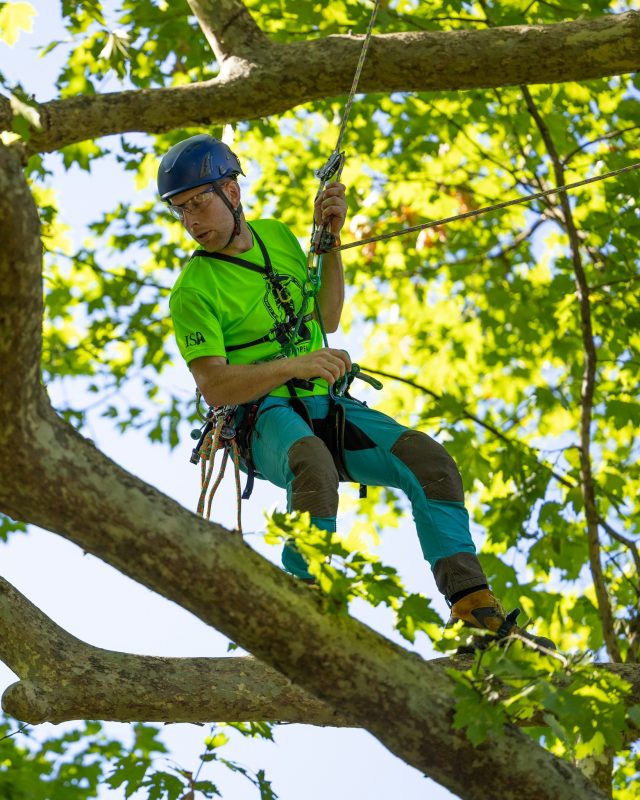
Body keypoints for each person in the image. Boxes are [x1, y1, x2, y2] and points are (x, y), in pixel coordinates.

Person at [157, 133, 553, 648]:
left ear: (232, 191)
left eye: (199, 203)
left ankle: (473, 605)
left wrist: (330, 240)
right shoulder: (194, 289)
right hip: (261, 419)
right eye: (180, 211)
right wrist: (296, 365)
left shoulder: (277, 237)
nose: (191, 221)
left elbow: (326, 315)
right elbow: (214, 385)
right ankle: (299, 604)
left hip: (326, 405)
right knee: (313, 466)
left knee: (428, 462)